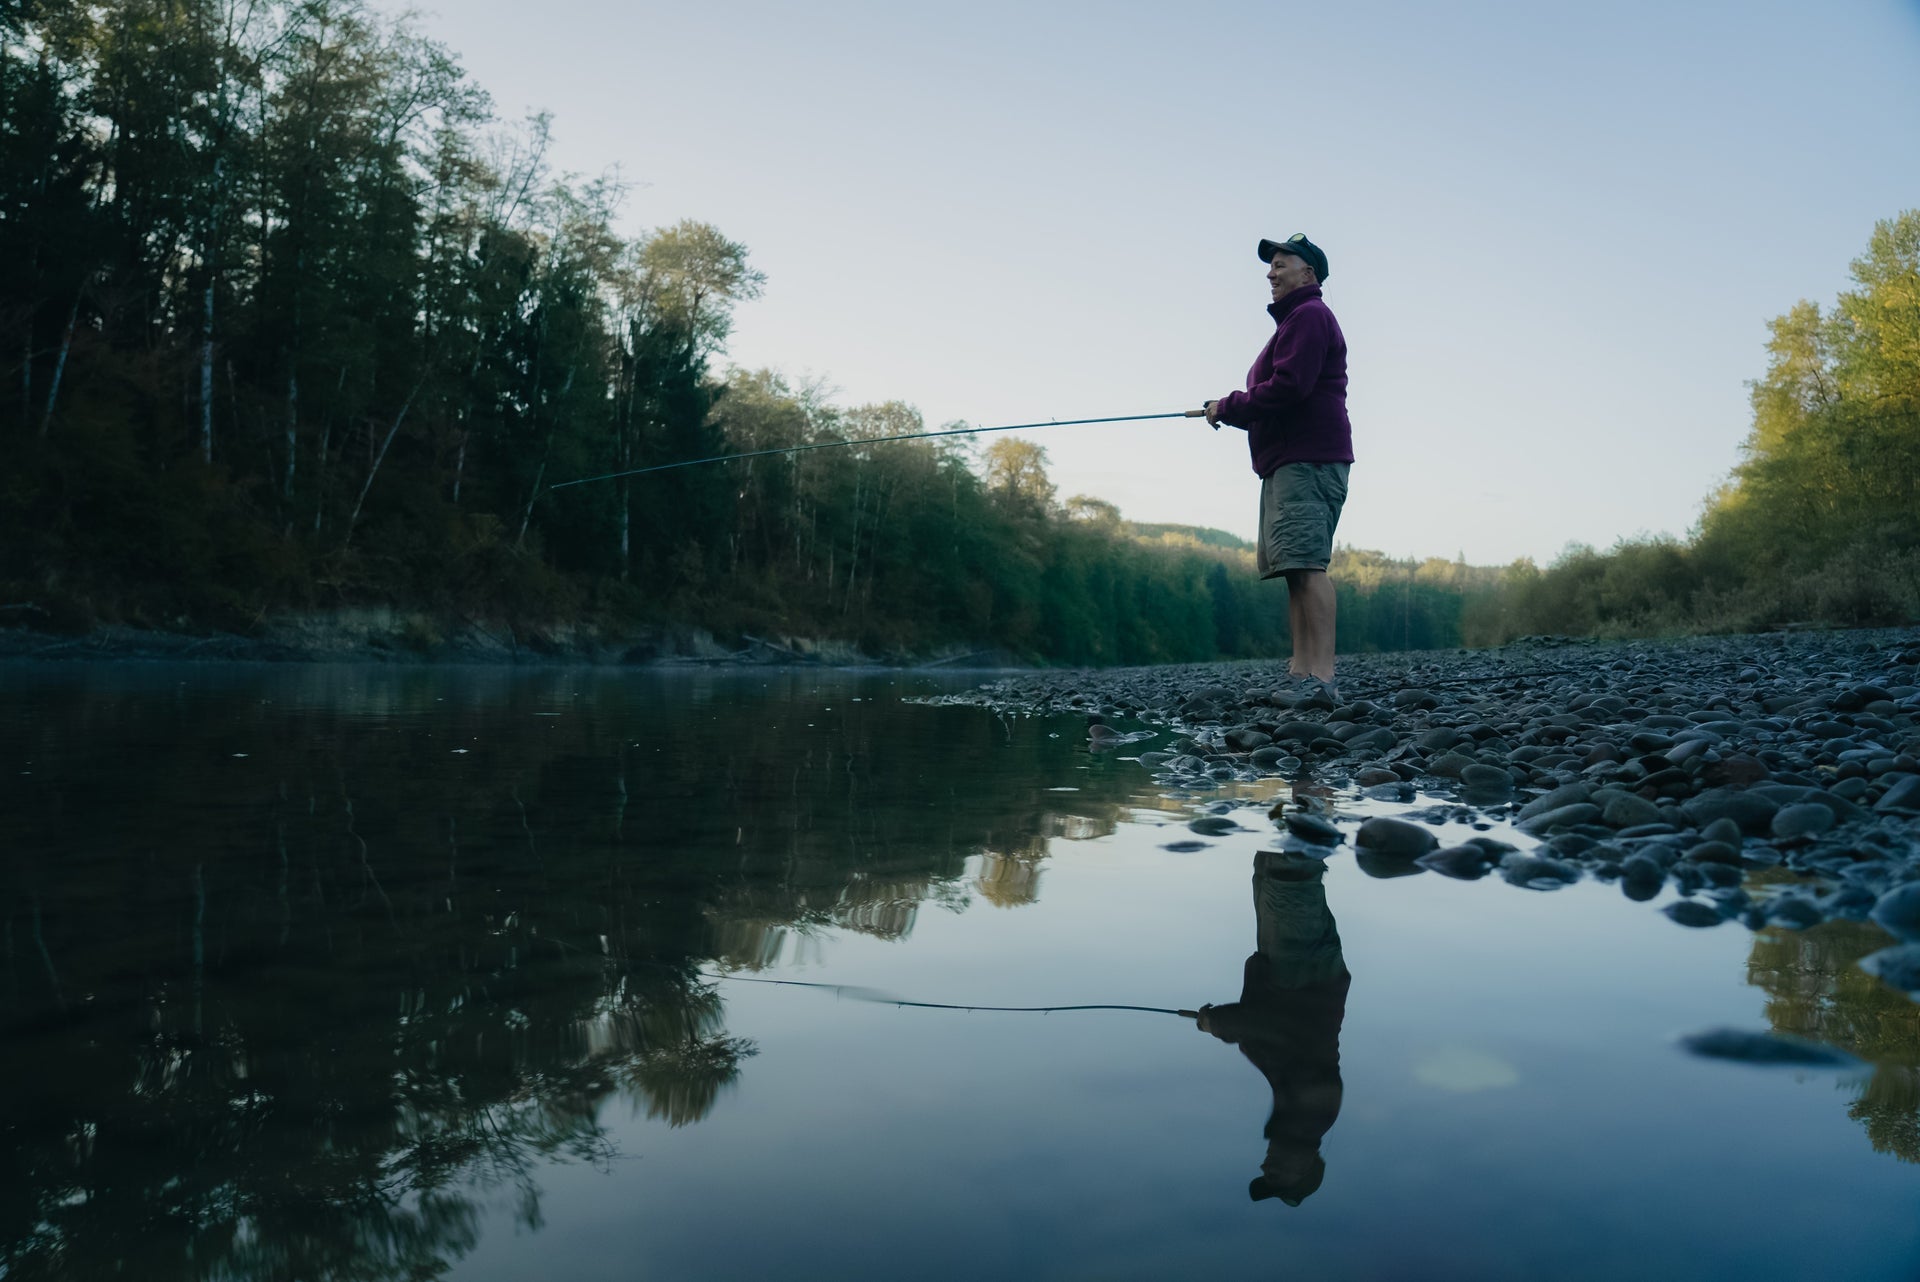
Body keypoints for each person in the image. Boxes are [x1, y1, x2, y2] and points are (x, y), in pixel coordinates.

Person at [1204, 233, 1352, 704]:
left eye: (1281, 265)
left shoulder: (1309, 316)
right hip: (1289, 461)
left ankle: (1322, 677)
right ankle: (1301, 669)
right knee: (1294, 569)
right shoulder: (1294, 323)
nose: (1271, 273)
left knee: (1309, 566)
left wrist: (1228, 405)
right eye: (1271, 267)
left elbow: (1289, 387)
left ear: (1308, 274)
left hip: (1308, 461)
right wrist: (1233, 408)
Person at [1194, 848, 1350, 1207]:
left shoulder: (1296, 1117)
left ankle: (1304, 800)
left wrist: (1227, 1027)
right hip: (1304, 972)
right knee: (1290, 872)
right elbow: (1280, 1029)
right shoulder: (1312, 1116)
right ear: (1308, 1165)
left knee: (1269, 867)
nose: (1267, 1166)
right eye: (1279, 1174)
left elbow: (1270, 1036)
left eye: (1266, 1172)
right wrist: (1220, 1024)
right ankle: (1314, 795)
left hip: (1287, 969)